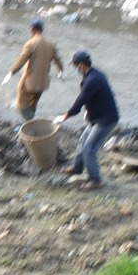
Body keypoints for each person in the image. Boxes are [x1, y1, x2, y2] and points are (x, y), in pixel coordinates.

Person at [55, 49, 119, 189]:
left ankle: (96, 180)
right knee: (83, 140)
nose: (75, 68)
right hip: (97, 117)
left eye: (75, 65)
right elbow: (95, 97)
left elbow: (80, 101)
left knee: (89, 148)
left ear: (82, 65)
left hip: (105, 120)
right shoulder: (94, 74)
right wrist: (88, 112)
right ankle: (77, 168)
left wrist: (65, 117)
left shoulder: (92, 80)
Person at [3, 18, 63, 121]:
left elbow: (22, 59)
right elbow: (57, 60)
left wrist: (11, 72)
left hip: (29, 82)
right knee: (33, 104)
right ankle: (31, 120)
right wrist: (61, 71)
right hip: (43, 83)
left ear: (32, 28)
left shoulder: (31, 43)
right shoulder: (51, 44)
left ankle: (28, 124)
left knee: (20, 105)